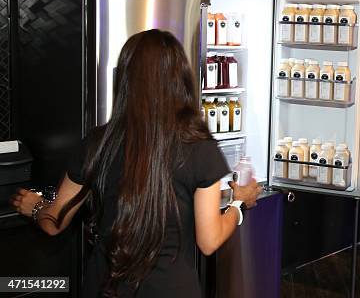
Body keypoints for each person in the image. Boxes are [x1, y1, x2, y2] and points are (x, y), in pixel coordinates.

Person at [10, 30, 261, 297]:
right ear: (180, 80)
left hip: (106, 288)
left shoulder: (98, 142)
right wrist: (238, 203)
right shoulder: (200, 147)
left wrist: (36, 206)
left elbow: (54, 222)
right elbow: (209, 241)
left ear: (125, 78)